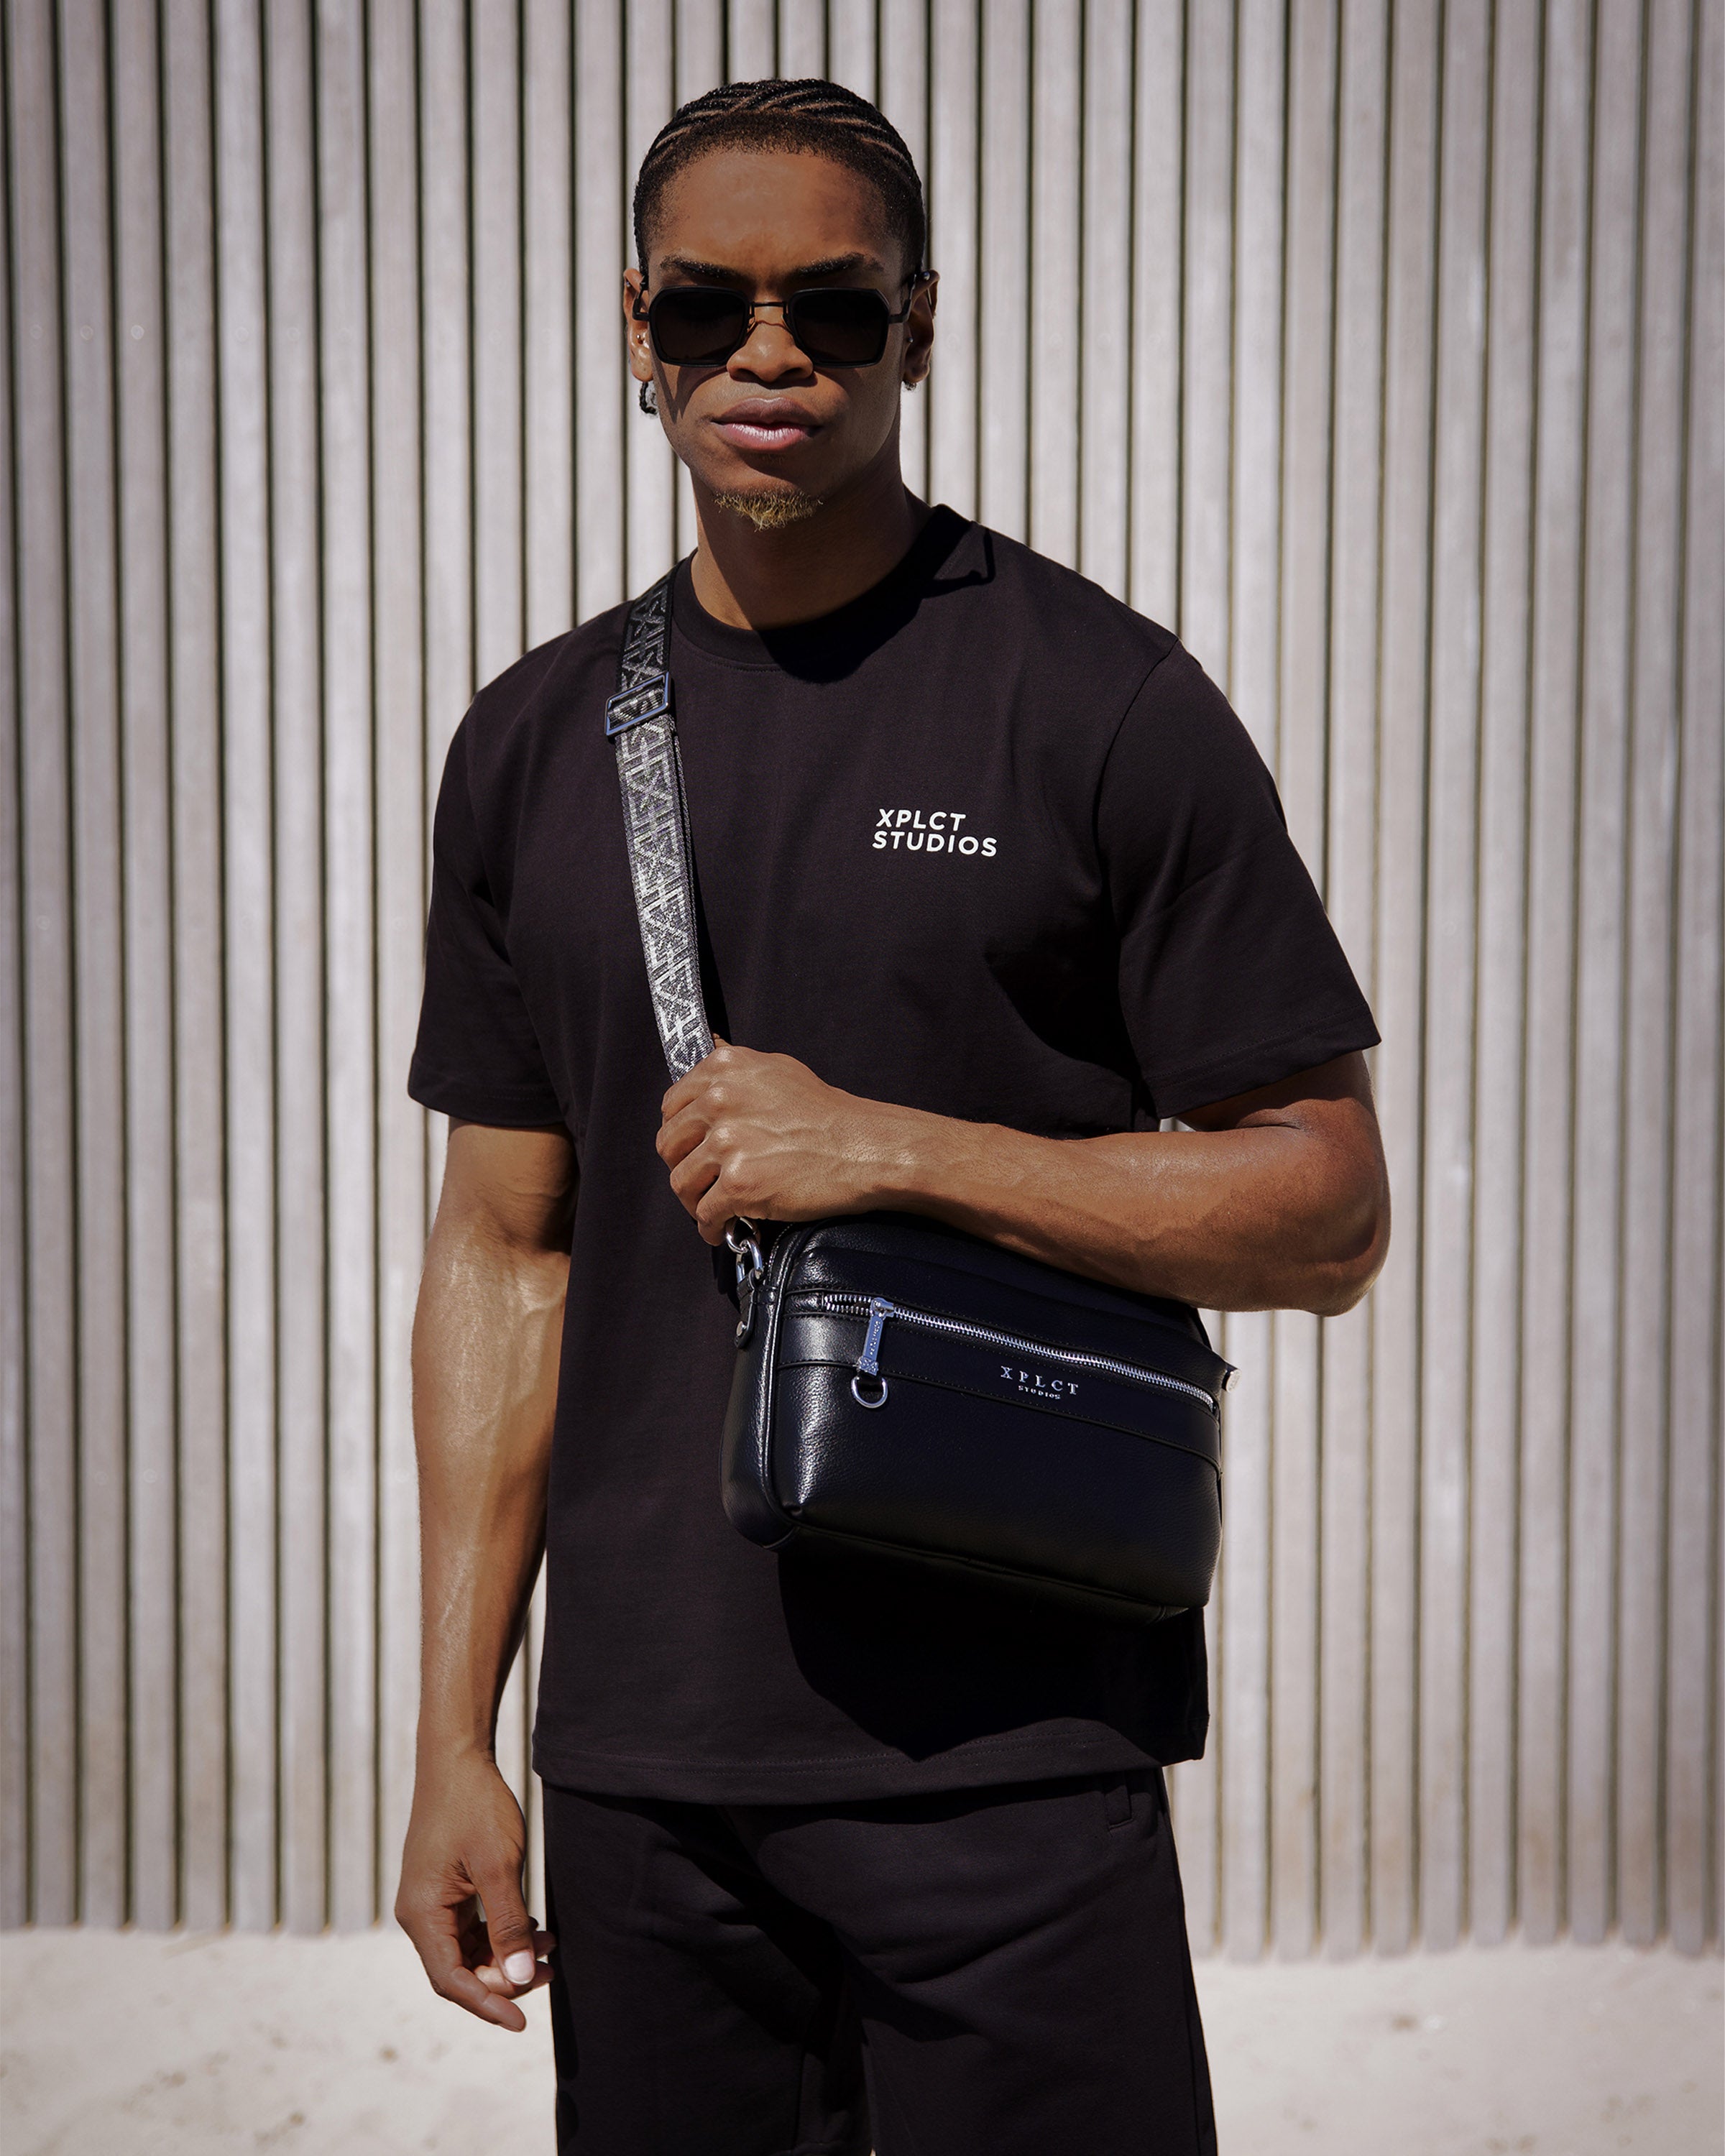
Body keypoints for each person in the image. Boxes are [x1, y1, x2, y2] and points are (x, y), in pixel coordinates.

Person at [395, 75, 1389, 2156]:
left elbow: (1325, 1209)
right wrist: (454, 1736)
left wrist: (901, 1150)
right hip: (643, 1777)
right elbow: (504, 1250)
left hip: (1011, 1757)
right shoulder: (533, 743)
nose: (768, 357)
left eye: (833, 310)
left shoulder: (1100, 703)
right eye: (709, 306)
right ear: (638, 323)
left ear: (917, 328)